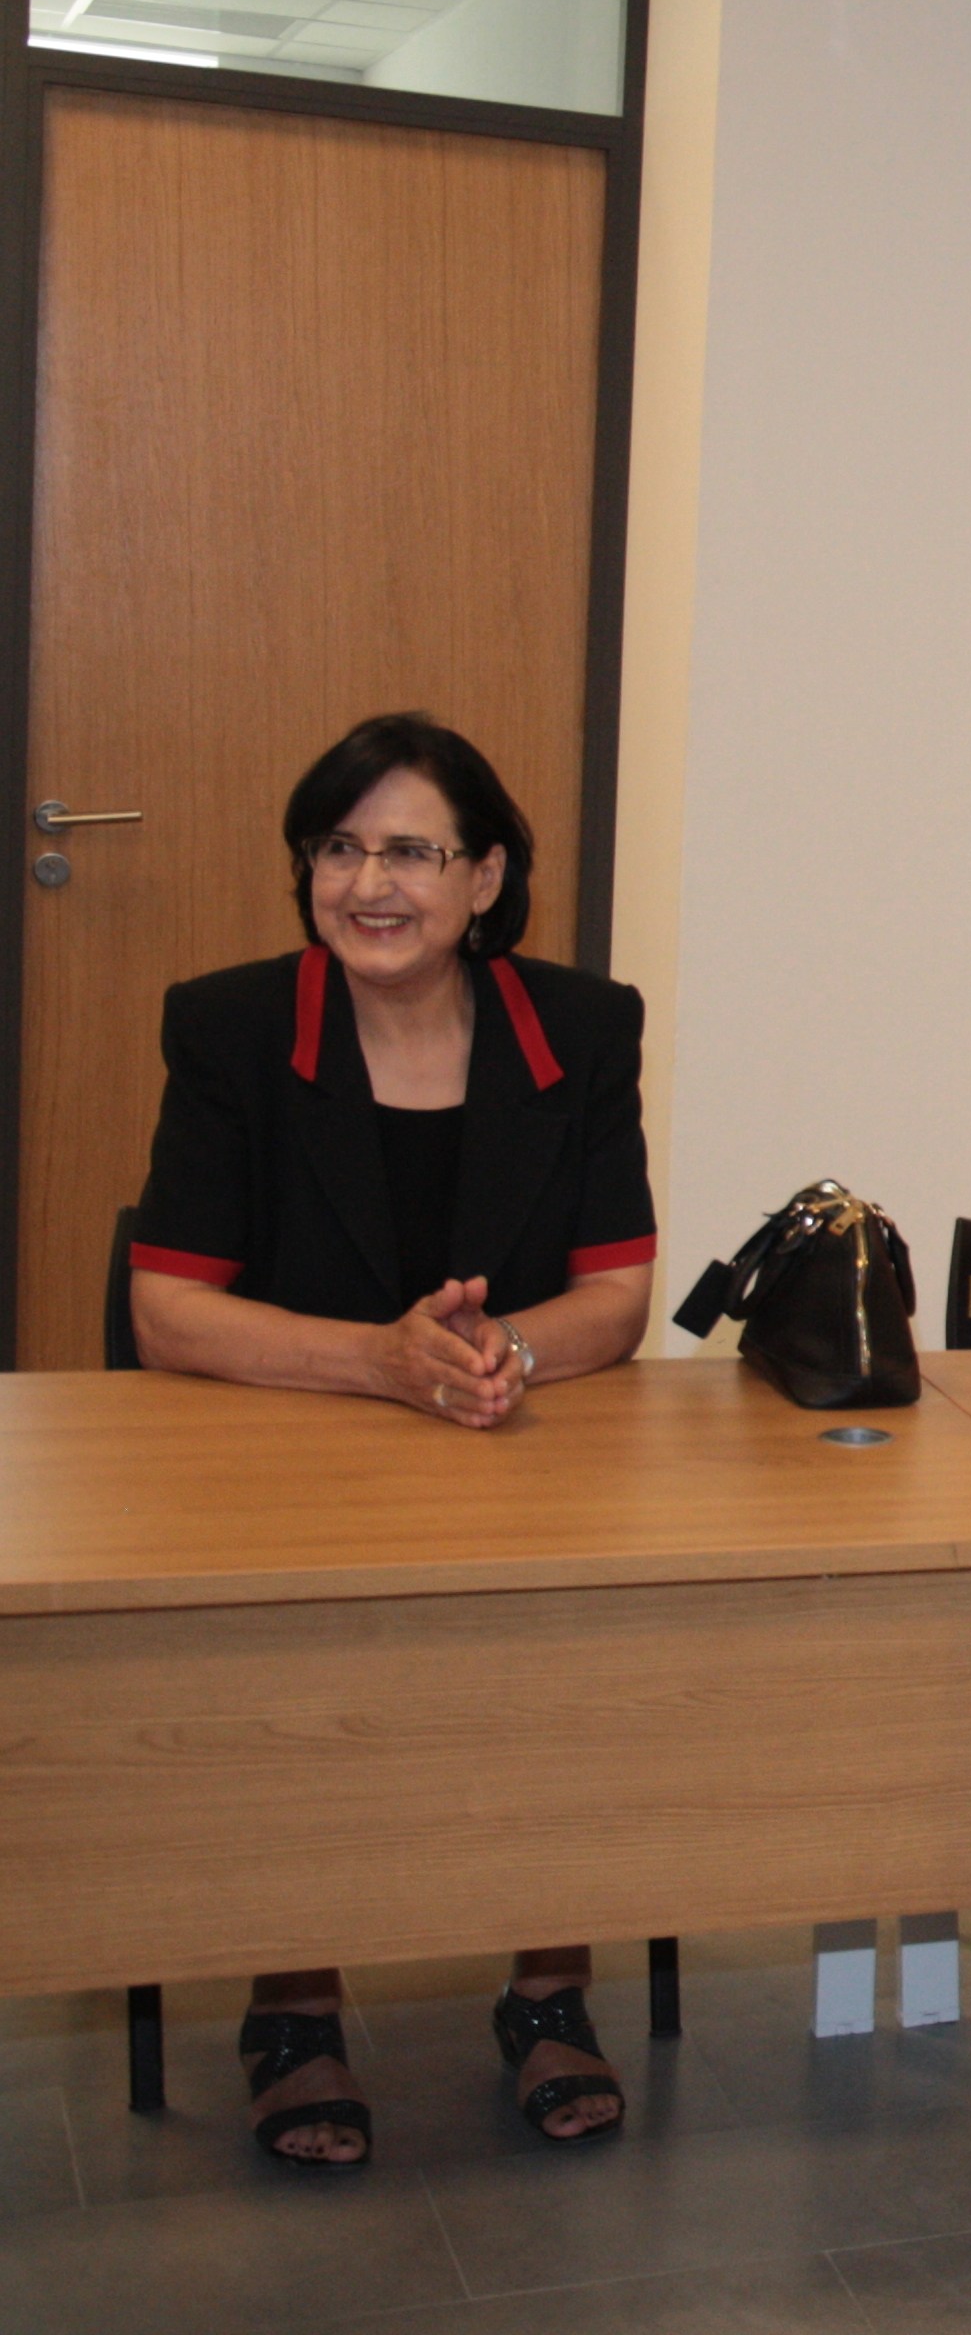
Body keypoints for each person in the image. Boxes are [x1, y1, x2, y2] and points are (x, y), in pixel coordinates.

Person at [126, 713, 656, 2166]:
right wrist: (377, 1362)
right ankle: (293, 2005)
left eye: (411, 852)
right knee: (300, 1672)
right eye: (340, 849)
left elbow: (617, 1293)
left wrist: (503, 1357)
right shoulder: (232, 1027)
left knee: (573, 1644)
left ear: (484, 879)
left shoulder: (582, 1027)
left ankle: (549, 1990)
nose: (371, 884)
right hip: (289, 1439)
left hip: (510, 1437)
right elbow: (168, 1310)